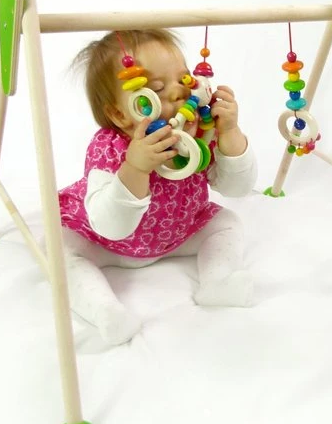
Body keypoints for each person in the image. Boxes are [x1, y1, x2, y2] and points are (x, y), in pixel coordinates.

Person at [57, 29, 258, 345]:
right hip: (104, 242)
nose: (178, 93)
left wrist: (230, 133)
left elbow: (238, 188)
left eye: (184, 79)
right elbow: (111, 227)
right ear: (119, 114)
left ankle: (219, 280)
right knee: (59, 248)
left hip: (179, 231)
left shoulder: (199, 136)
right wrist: (136, 167)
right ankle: (105, 311)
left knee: (227, 221)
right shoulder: (109, 148)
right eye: (157, 89)